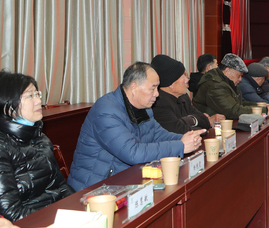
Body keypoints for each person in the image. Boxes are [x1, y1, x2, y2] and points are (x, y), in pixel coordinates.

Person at [69, 62, 204, 191]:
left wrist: (186, 138)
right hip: (94, 188)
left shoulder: (144, 107)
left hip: (125, 181)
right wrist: (180, 146)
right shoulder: (106, 111)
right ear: (134, 87)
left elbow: (158, 134)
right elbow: (133, 153)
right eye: (153, 88)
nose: (157, 93)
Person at [0, 71, 75, 221]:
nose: (38, 101)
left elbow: (61, 186)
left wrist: (78, 207)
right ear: (6, 106)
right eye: (30, 96)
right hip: (24, 227)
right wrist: (59, 218)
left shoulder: (40, 137)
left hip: (52, 217)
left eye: (37, 94)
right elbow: (11, 214)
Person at [151, 54, 225, 134]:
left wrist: (190, 120)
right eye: (183, 77)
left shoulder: (183, 97)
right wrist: (194, 121)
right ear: (171, 84)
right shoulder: (158, 104)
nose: (187, 80)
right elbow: (180, 131)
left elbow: (205, 120)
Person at [193, 53, 269, 119]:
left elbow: (241, 103)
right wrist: (264, 110)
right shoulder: (215, 85)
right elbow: (232, 111)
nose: (240, 79)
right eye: (238, 75)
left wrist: (262, 105)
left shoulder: (229, 82)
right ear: (227, 71)